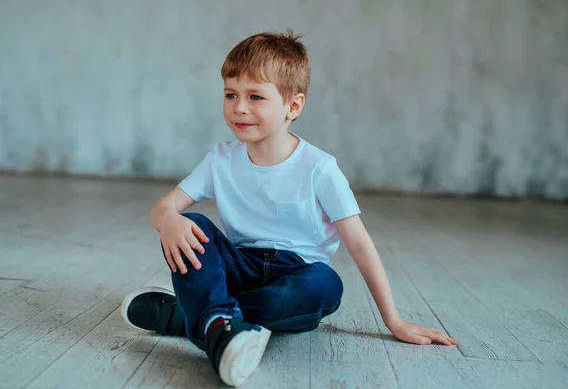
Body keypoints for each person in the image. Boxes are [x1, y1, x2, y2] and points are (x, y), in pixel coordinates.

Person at [121, 29, 458, 387]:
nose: (239, 107)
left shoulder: (319, 168)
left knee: (325, 283)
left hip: (295, 277)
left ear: (292, 106)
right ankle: (217, 323)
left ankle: (196, 318)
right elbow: (163, 207)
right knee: (190, 223)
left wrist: (394, 320)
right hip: (240, 264)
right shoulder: (221, 160)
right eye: (231, 94)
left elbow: (359, 244)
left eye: (255, 97)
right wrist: (169, 220)